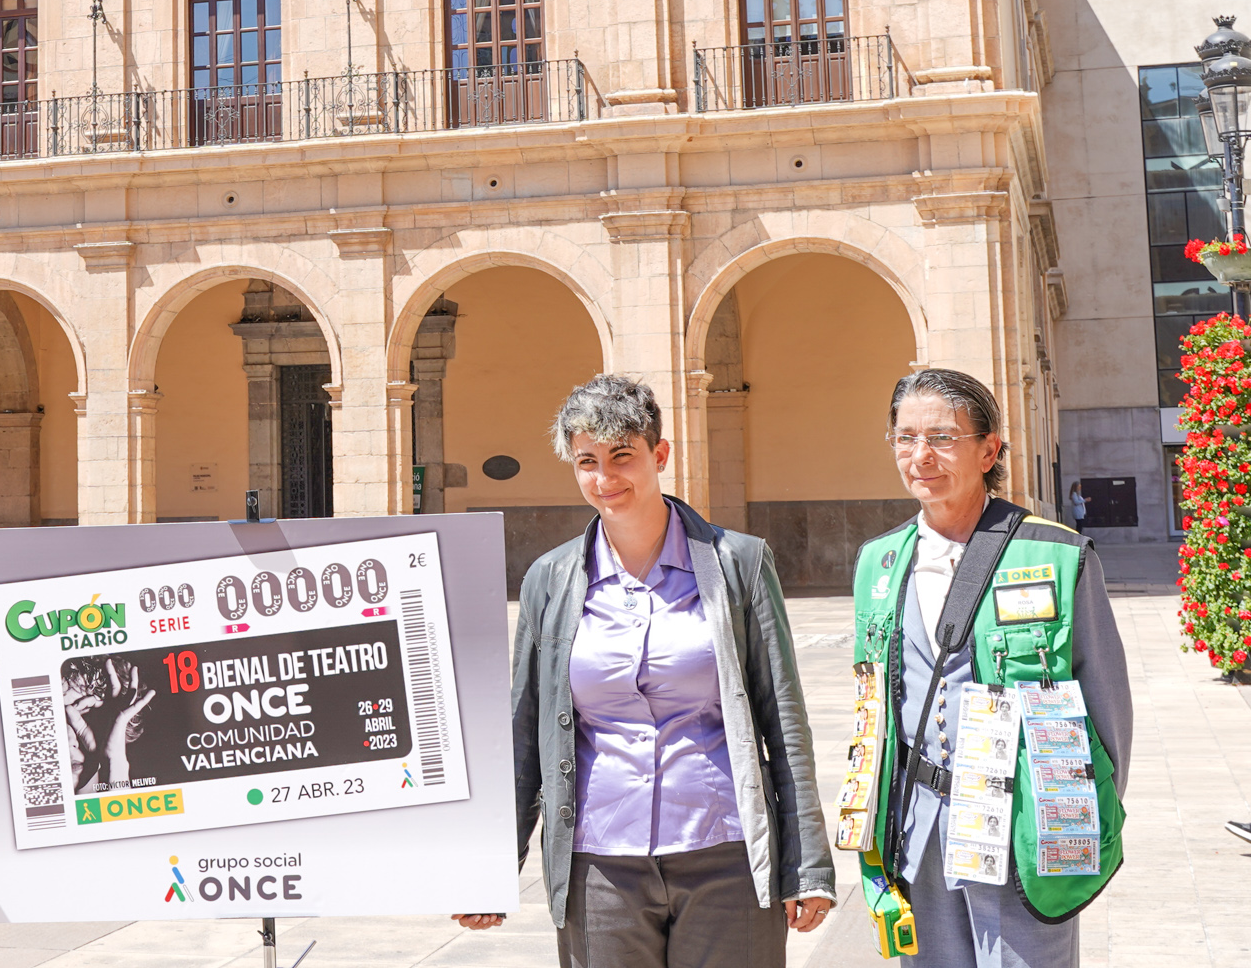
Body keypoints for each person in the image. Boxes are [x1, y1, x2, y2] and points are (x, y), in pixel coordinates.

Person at [459, 374, 834, 967]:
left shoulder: (739, 564)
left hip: (726, 853)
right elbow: (525, 733)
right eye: (587, 461)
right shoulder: (549, 581)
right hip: (599, 863)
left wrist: (807, 862)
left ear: (659, 455)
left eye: (622, 457)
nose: (605, 479)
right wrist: (491, 866)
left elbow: (782, 719)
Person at [847, 369, 1132, 966]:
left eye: (942, 437)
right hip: (918, 828)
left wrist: (1076, 823)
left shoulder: (1055, 554)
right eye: (904, 438)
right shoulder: (879, 562)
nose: (920, 456)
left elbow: (1108, 708)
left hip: (1023, 824)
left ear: (989, 449)